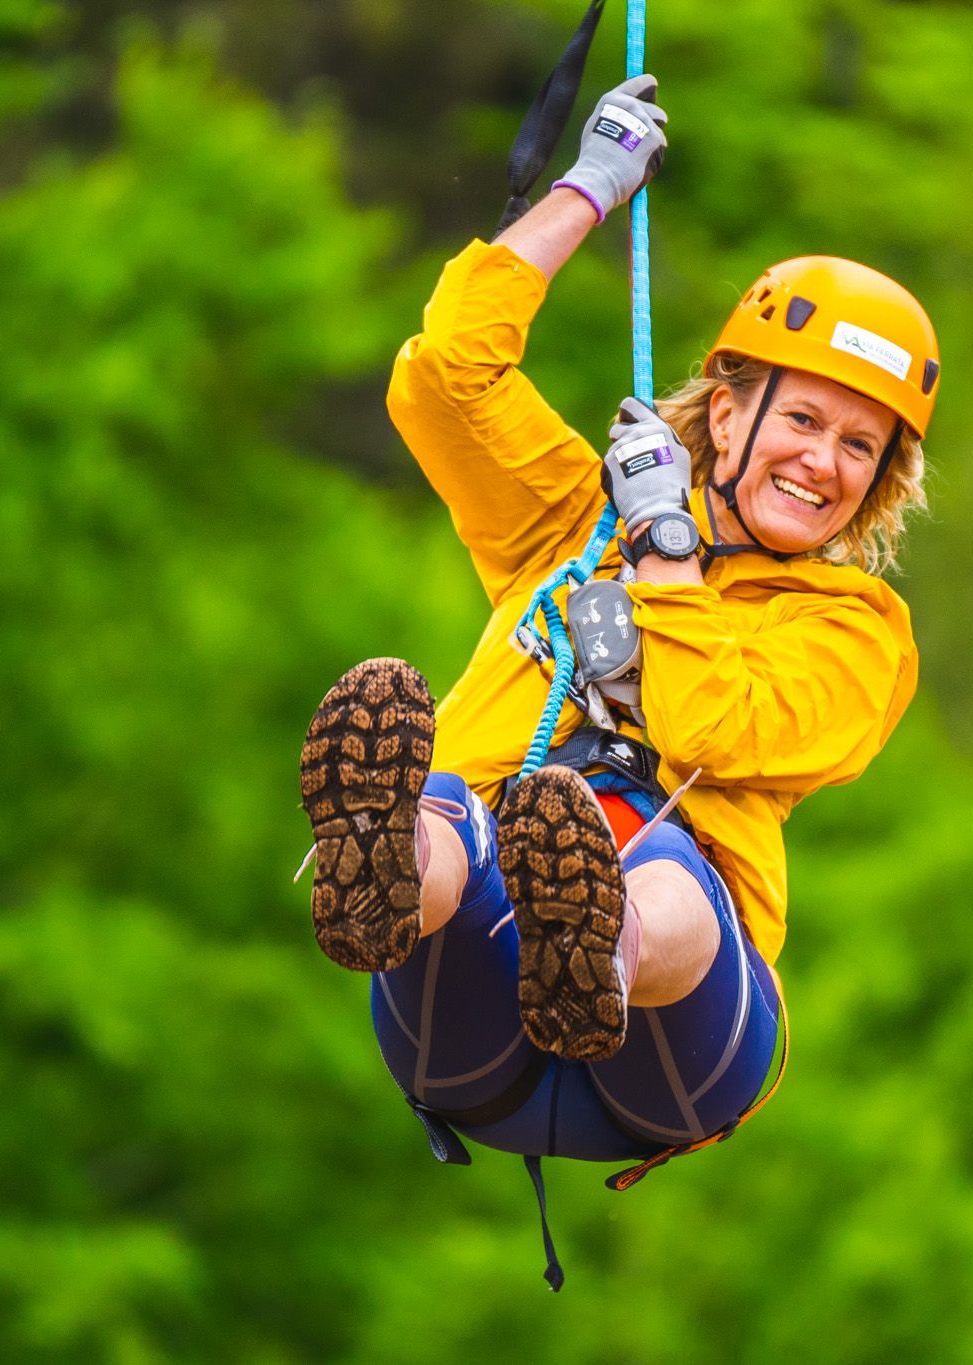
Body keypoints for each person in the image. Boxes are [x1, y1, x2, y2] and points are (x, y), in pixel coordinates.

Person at [299, 74, 938, 1173]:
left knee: (670, 873)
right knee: (451, 805)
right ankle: (388, 865)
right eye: (802, 419)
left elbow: (712, 728)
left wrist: (668, 557)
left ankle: (596, 943)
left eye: (857, 446)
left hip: (676, 1048)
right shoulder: (574, 522)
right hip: (465, 1015)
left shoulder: (857, 634)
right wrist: (586, 191)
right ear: (727, 409)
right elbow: (448, 380)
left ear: (879, 479)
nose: (822, 463)